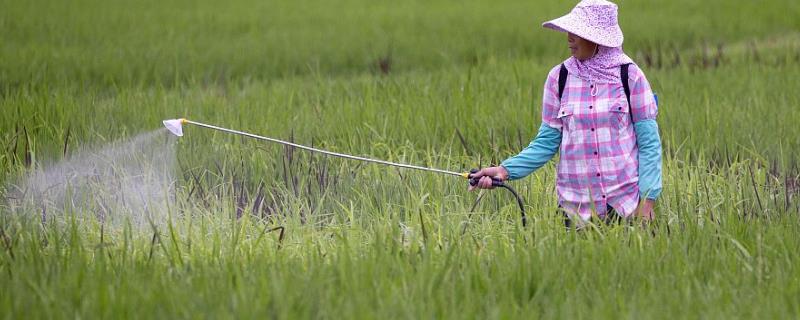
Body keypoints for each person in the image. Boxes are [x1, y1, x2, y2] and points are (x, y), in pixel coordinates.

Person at [469, 0, 662, 226]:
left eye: (577, 32)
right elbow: (546, 143)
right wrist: (504, 170)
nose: (569, 37)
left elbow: (649, 144)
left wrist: (647, 203)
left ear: (598, 38)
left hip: (624, 207)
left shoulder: (630, 77)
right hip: (574, 211)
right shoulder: (558, 78)